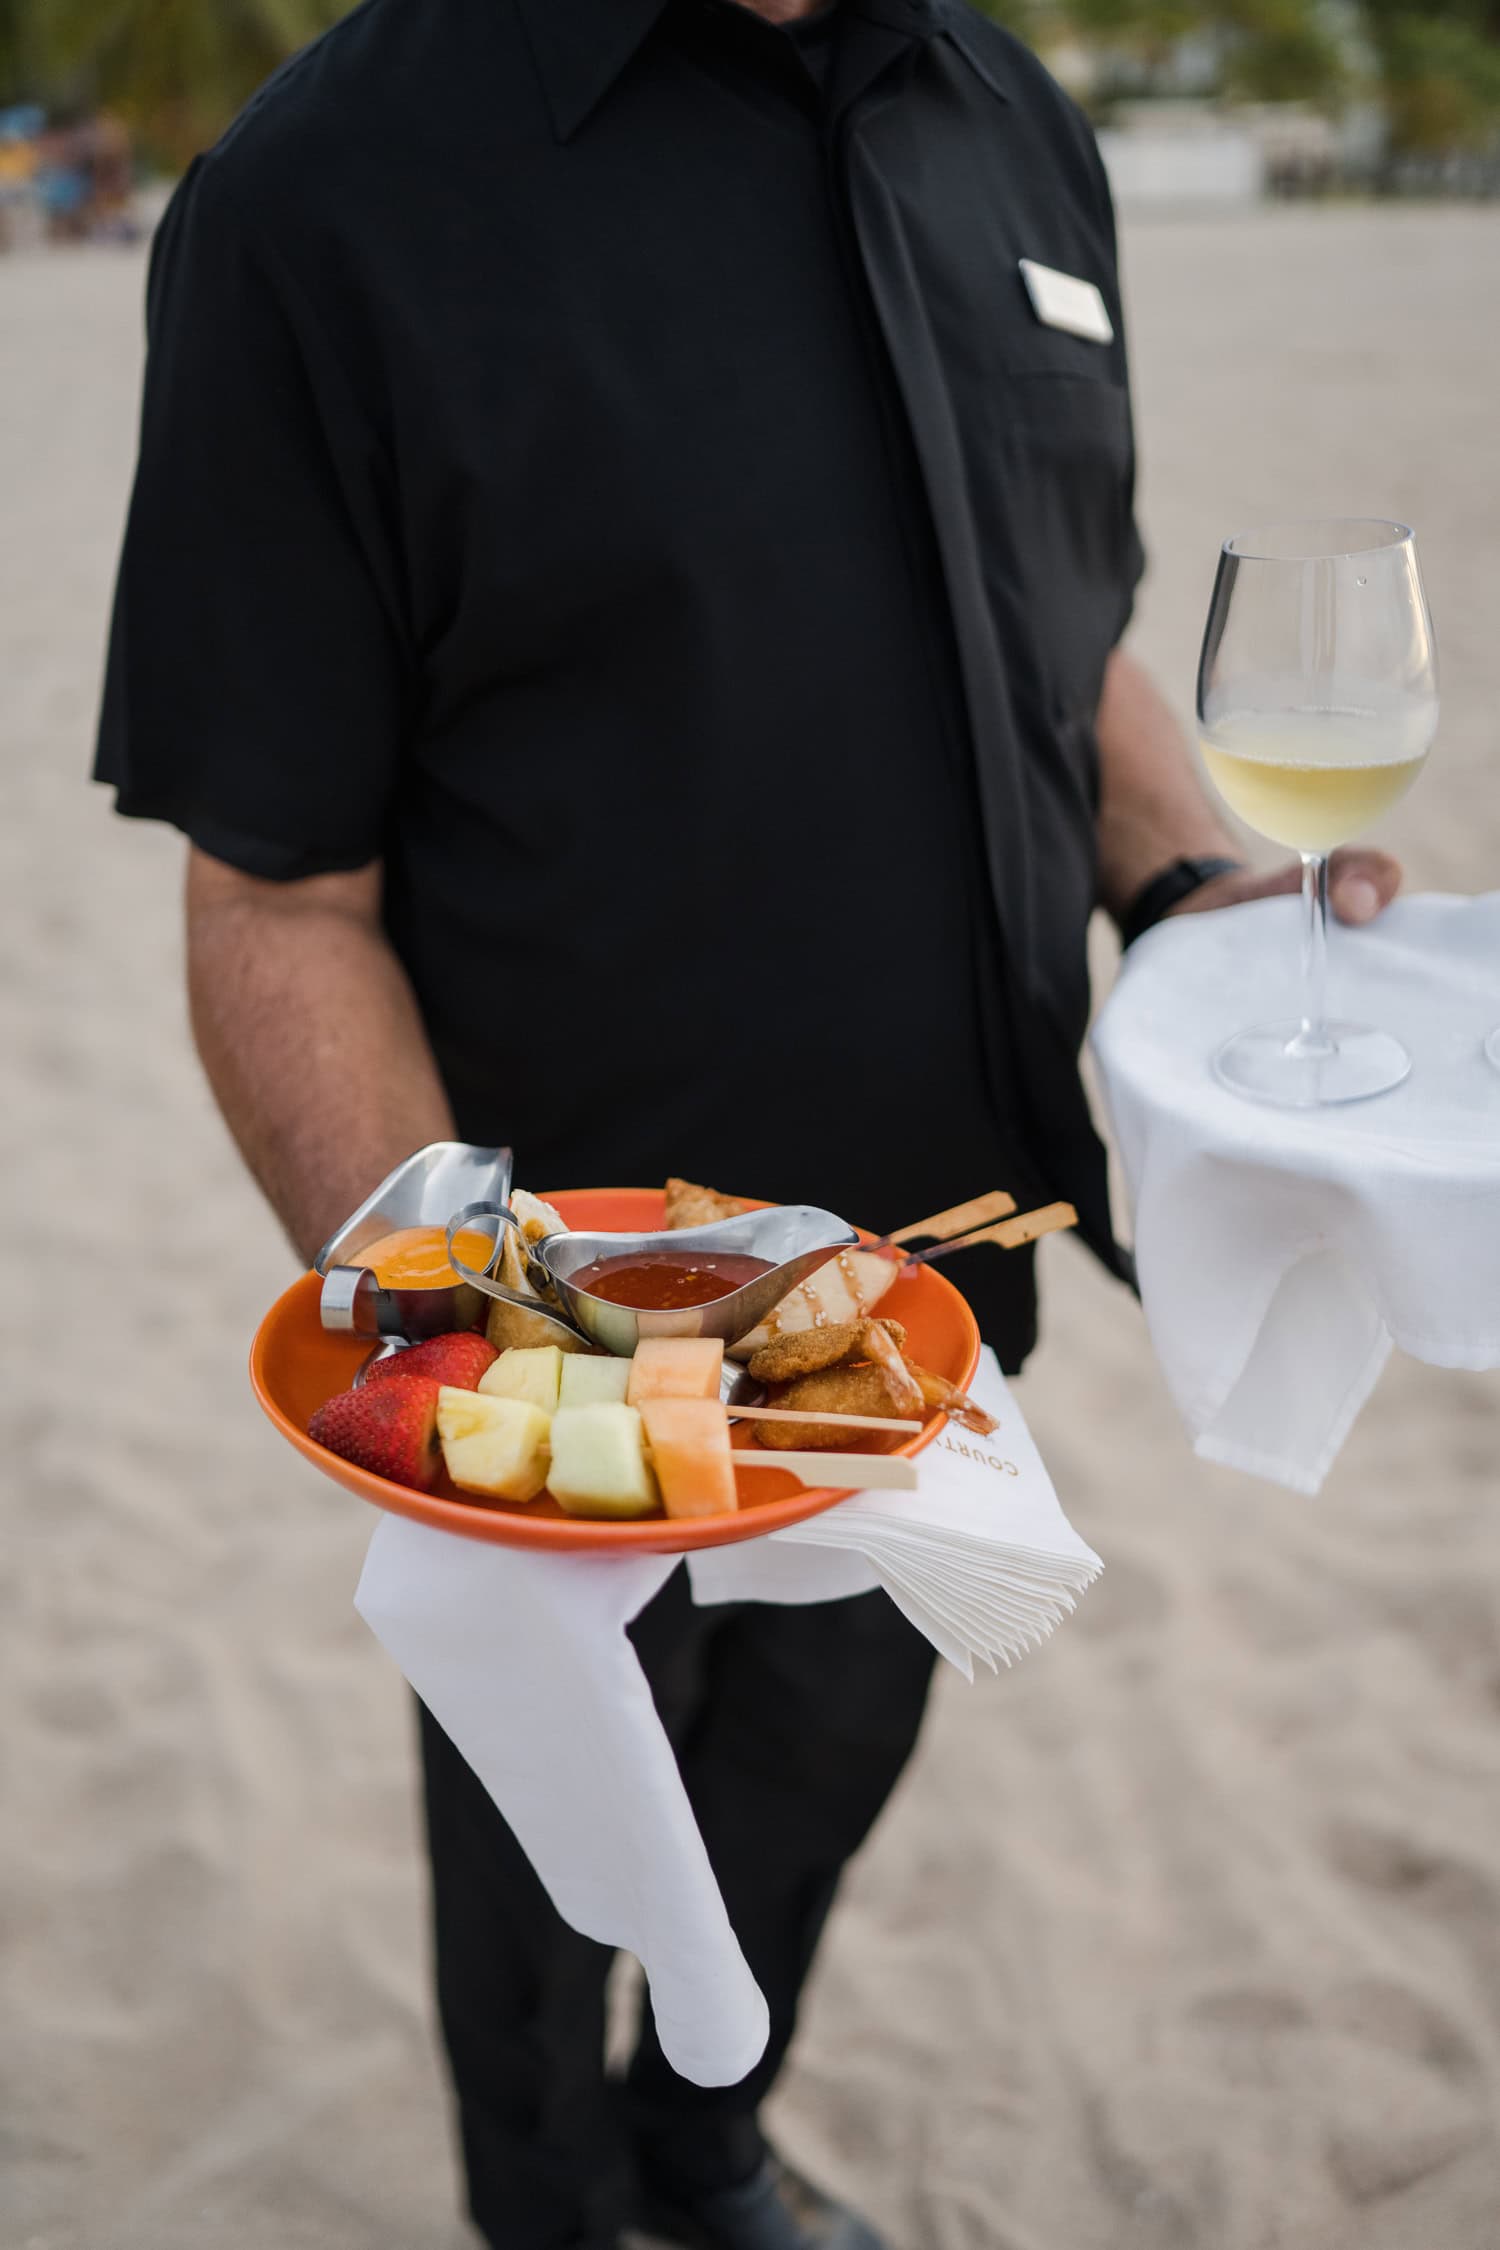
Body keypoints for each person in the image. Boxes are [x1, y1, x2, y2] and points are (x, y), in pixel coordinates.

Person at [94, 2, 1400, 2245]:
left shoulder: (1014, 119)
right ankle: (545, 2204)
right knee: (546, 1846)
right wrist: (462, 1343)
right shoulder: (325, 196)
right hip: (564, 1345)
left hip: (943, 1300)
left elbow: (1056, 629)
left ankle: (705, 2150)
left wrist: (1199, 884)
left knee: (821, 1761)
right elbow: (276, 890)